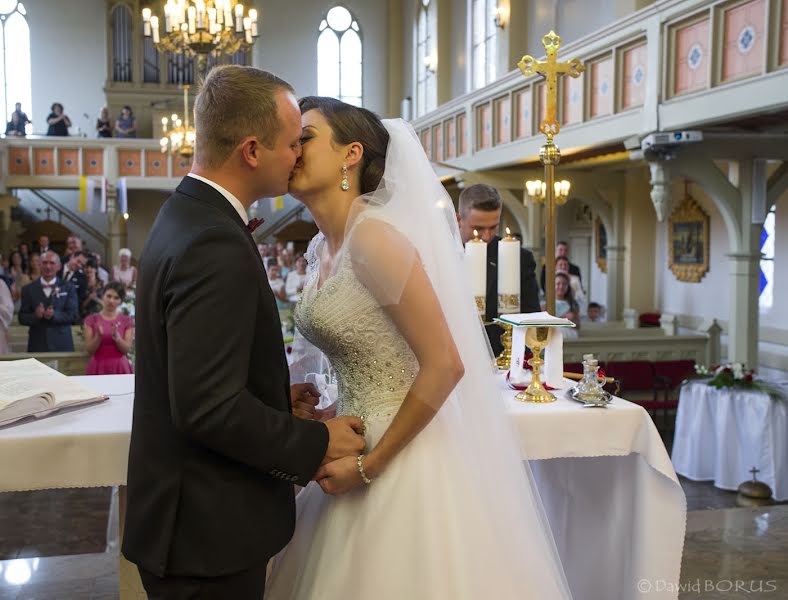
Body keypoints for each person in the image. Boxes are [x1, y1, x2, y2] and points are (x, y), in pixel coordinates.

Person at [264, 97, 572, 599]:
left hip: (402, 456)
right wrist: (328, 409)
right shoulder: (324, 247)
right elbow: (371, 355)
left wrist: (370, 465)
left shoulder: (374, 241)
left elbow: (445, 364)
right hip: (352, 440)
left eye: (308, 136)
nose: (294, 147)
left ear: (351, 154)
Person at [122, 65, 366, 599]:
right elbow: (208, 408)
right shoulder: (213, 242)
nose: (297, 155)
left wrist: (274, 398)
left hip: (190, 521)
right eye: (290, 144)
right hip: (203, 535)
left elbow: (195, 374)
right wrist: (317, 441)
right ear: (252, 151)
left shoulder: (184, 213)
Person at [456, 183, 541, 355]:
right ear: (459, 220)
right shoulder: (440, 253)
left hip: (499, 357)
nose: (487, 236)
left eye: (493, 227)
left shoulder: (519, 258)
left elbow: (529, 319)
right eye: (478, 229)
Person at [19, 251, 80, 352]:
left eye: (52, 263)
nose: (48, 266)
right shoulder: (28, 289)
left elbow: (73, 315)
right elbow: (22, 317)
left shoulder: (68, 287)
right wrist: (35, 315)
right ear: (39, 265)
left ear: (59, 266)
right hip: (37, 344)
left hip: (62, 343)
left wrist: (54, 315)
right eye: (44, 263)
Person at [84, 281, 134, 375]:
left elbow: (126, 349)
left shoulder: (126, 320)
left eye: (116, 298)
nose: (111, 301)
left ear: (121, 301)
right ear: (103, 296)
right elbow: (89, 350)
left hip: (119, 367)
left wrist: (118, 338)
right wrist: (98, 337)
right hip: (97, 366)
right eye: (109, 296)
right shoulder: (91, 320)